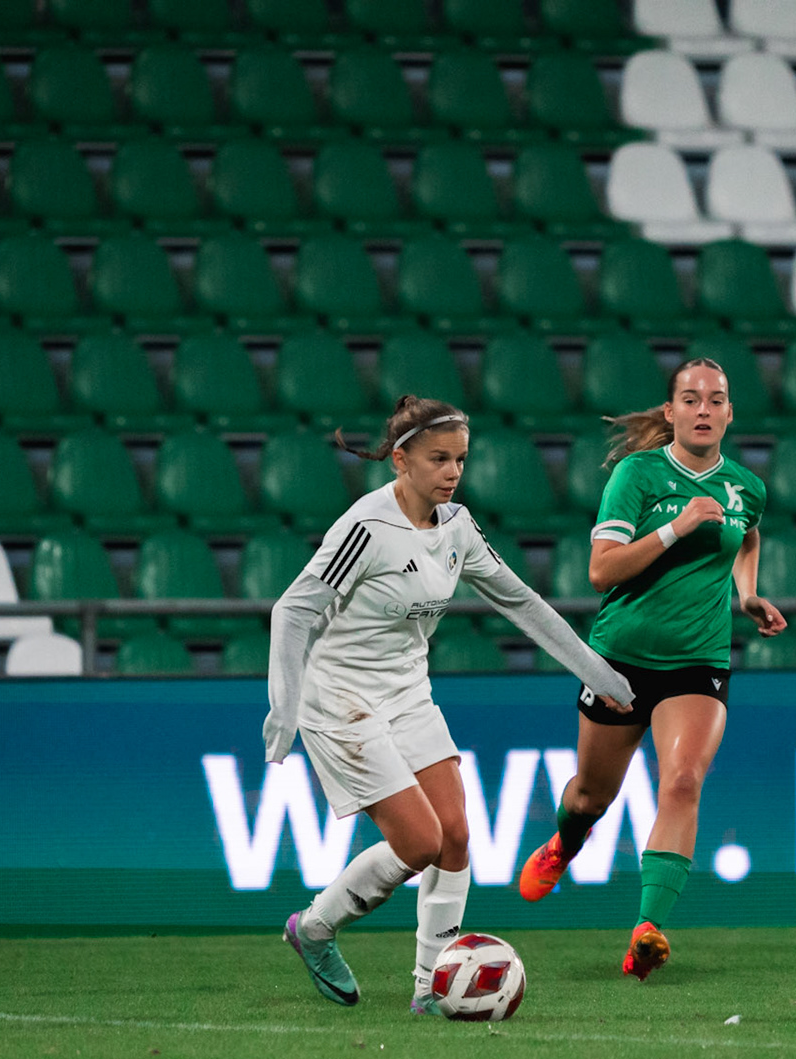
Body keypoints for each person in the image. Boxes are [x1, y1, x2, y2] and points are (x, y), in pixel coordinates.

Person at [265, 396, 635, 1013]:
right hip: (341, 698)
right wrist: (285, 704)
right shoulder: (366, 528)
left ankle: (430, 990)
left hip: (408, 691)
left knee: (457, 834)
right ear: (401, 459)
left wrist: (598, 674)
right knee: (420, 842)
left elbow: (521, 602)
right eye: (439, 458)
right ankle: (315, 927)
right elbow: (293, 610)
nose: (453, 471)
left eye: (460, 459)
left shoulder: (457, 527)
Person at [514, 358, 785, 980]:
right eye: (690, 399)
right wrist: (679, 527)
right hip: (619, 662)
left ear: (730, 413)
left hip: (699, 659)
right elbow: (601, 571)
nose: (703, 410)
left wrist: (746, 595)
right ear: (670, 412)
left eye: (716, 400)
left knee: (684, 780)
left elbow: (746, 537)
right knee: (590, 795)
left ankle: (647, 931)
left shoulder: (746, 486)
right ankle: (565, 842)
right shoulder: (636, 476)